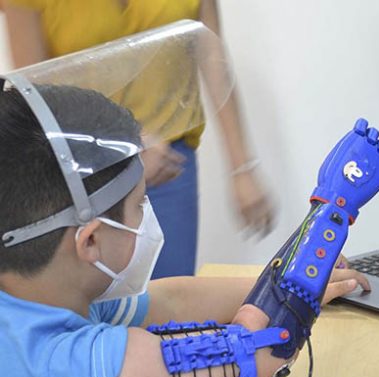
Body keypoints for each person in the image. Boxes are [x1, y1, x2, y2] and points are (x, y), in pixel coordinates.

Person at [0, 83, 378, 377]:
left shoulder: (43, 293)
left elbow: (172, 300)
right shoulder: (67, 373)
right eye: (139, 204)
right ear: (90, 241)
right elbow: (264, 348)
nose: (147, 215)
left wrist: (290, 279)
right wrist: (333, 207)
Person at [2, 0, 276, 278]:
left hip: (169, 164)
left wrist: (242, 167)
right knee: (97, 296)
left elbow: (212, 56)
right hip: (85, 169)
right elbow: (34, 95)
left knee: (169, 291)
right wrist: (122, 141)